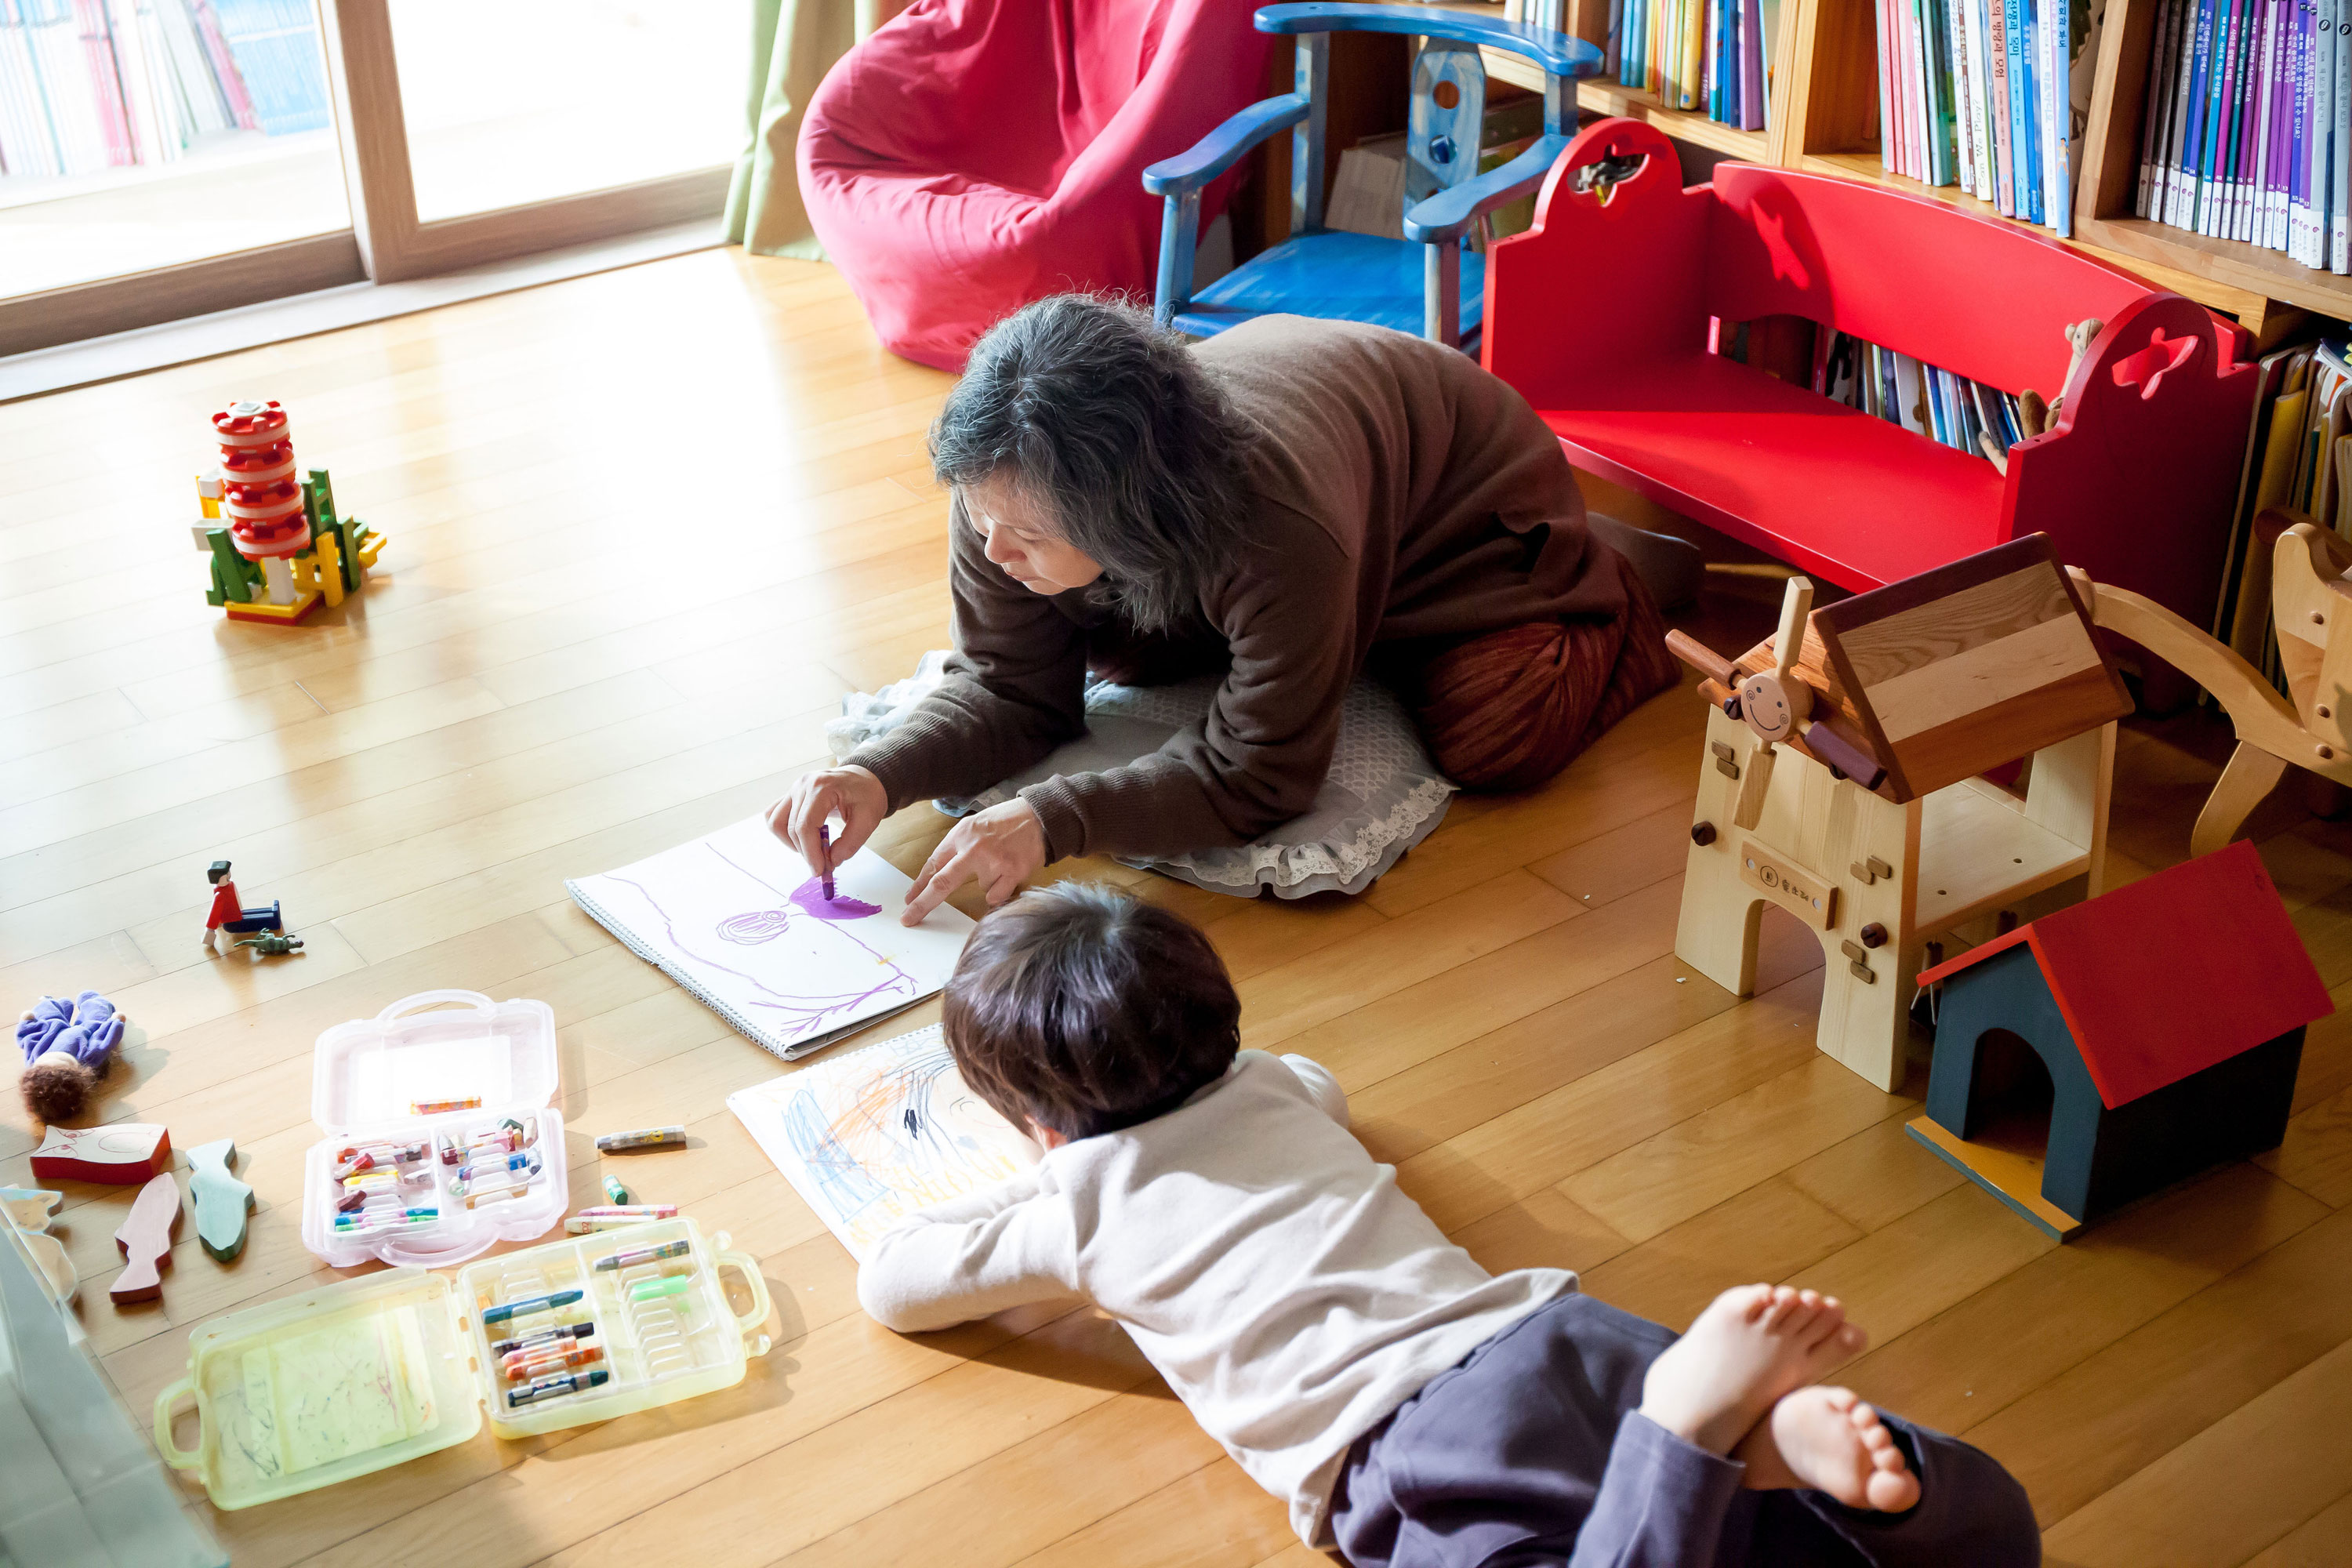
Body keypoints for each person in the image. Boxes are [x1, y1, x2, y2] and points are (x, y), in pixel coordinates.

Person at [857, 884, 2044, 1567]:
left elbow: (896, 1283)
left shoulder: (1075, 1205)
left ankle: (1688, 1446)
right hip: (1558, 1342)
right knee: (1929, 1550)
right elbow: (1318, 1081)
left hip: (1405, 1453)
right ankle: (1788, 1462)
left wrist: (1042, 1177)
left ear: (1038, 1124)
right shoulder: (1270, 1085)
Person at [769, 298, 1686, 924]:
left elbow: (1261, 776)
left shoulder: (1278, 531)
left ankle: (1612, 580)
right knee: (1126, 652)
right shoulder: (1004, 486)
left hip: (1466, 515)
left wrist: (1054, 819)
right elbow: (1014, 691)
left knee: (1498, 733)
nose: (995, 550)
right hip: (1328, 483)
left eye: (1028, 535)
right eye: (983, 518)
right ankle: (1339, 634)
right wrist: (878, 774)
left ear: (1129, 517)